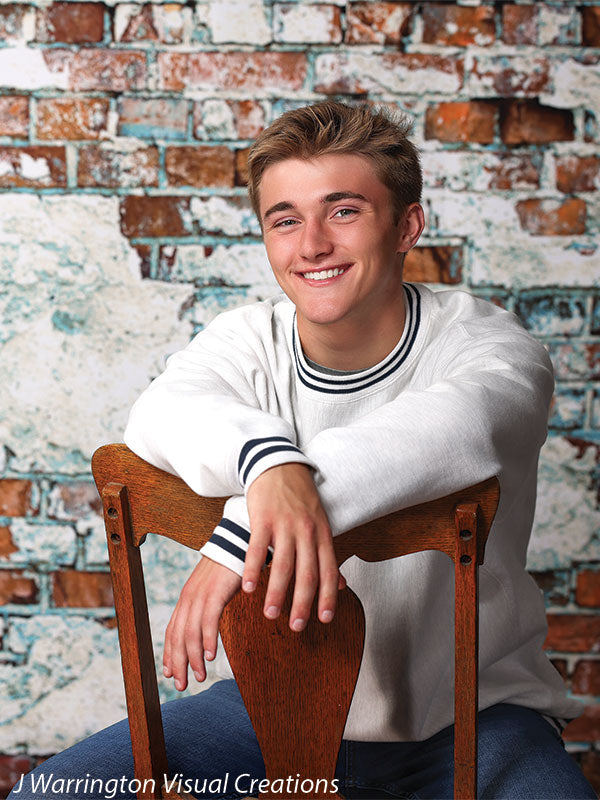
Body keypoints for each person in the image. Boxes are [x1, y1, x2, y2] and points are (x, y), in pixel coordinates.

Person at [10, 102, 596, 800]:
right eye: (285, 220)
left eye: (343, 211)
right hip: (262, 710)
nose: (312, 244)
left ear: (408, 225)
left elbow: (455, 428)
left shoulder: (492, 347)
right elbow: (161, 414)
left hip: (472, 719)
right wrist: (270, 464)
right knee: (51, 794)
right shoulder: (246, 340)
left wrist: (249, 524)